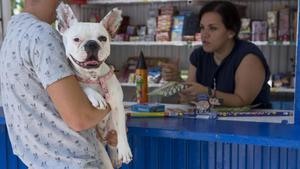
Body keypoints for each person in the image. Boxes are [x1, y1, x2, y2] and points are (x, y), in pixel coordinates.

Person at [0, 0, 117, 168]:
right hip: (75, 163)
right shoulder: (42, 35)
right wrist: (114, 100)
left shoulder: (12, 34)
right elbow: (80, 118)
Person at [160, 1, 271, 108]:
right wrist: (177, 80)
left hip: (250, 124)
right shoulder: (199, 55)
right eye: (202, 27)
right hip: (211, 122)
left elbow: (241, 102)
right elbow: (190, 97)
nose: (204, 35)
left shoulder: (248, 57)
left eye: (213, 28)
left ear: (231, 32)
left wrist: (207, 92)